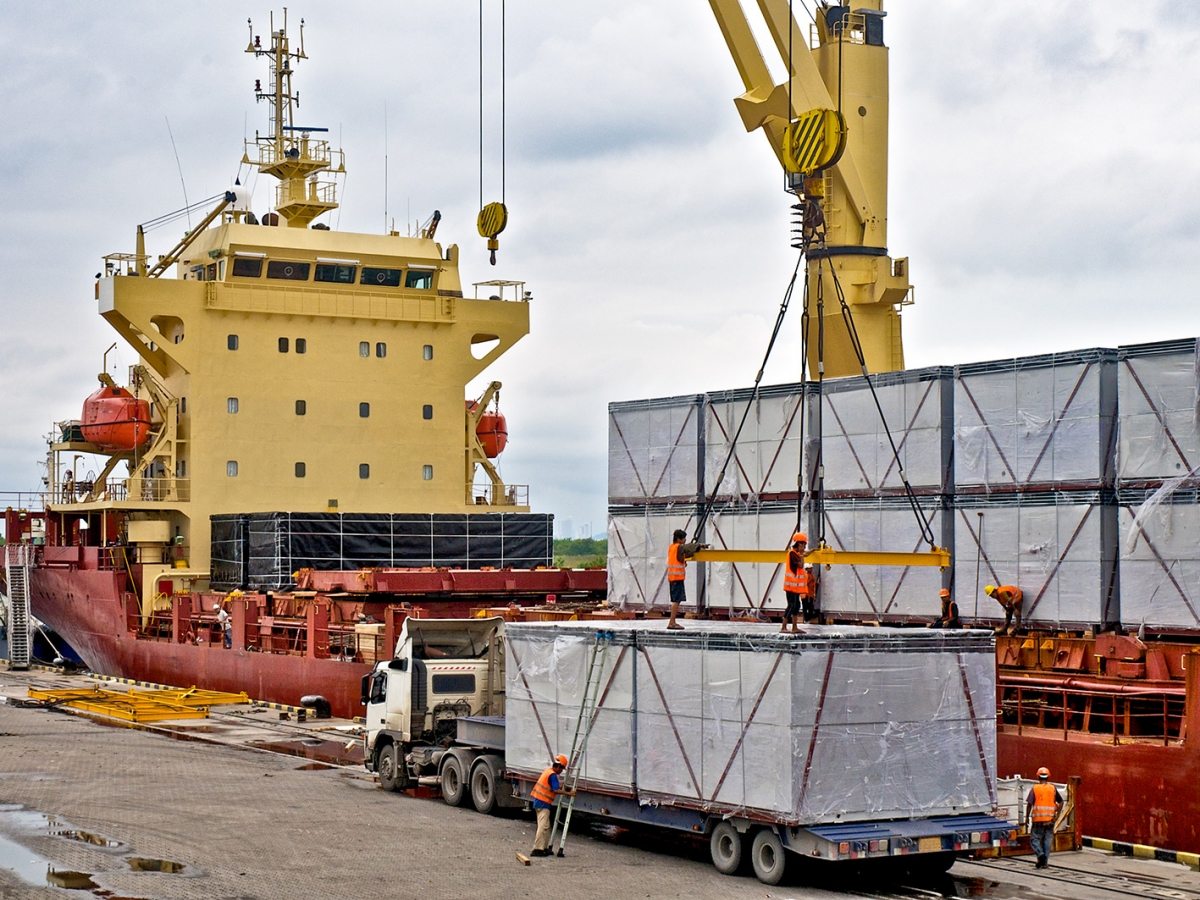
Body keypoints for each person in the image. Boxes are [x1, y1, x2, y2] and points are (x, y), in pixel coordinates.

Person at [529, 754, 571, 857]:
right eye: (561, 769)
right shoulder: (552, 775)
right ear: (558, 766)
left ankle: (544, 848)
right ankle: (537, 849)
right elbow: (555, 789)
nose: (561, 771)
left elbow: (553, 786)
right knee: (542, 826)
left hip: (540, 802)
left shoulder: (548, 772)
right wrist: (570, 793)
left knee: (546, 827)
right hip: (543, 803)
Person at [665, 529, 707, 630]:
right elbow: (687, 547)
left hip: (673, 578)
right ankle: (672, 622)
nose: (684, 540)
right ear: (679, 539)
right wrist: (699, 546)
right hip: (677, 578)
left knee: (676, 600)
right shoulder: (679, 547)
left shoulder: (672, 547)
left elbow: (680, 557)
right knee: (676, 600)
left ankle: (672, 621)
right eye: (683, 539)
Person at [1025, 766, 1063, 869]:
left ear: (1038, 777)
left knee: (1034, 840)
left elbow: (1029, 804)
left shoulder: (1035, 788)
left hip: (1038, 820)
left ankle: (1040, 855)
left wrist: (1026, 818)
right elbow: (1061, 801)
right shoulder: (1053, 788)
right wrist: (1057, 815)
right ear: (1048, 777)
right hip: (1050, 820)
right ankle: (1044, 863)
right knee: (1047, 841)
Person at [781, 531, 811, 633]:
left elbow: (803, 557)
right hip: (791, 586)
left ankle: (794, 627)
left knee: (796, 605)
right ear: (798, 544)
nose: (804, 546)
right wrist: (802, 555)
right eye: (803, 544)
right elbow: (800, 565)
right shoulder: (792, 554)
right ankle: (783, 627)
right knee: (791, 605)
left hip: (795, 587)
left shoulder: (796, 554)